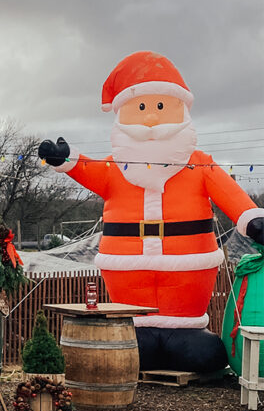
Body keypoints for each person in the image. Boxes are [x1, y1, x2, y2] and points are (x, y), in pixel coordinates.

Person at [39, 51, 264, 372]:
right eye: (141, 108)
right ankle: (138, 334)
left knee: (198, 352)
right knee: (136, 337)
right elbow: (89, 170)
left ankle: (185, 335)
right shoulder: (115, 169)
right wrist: (67, 159)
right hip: (127, 267)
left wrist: (252, 219)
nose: (150, 118)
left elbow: (231, 194)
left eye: (160, 107)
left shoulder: (199, 164)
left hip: (188, 268)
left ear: (180, 110)